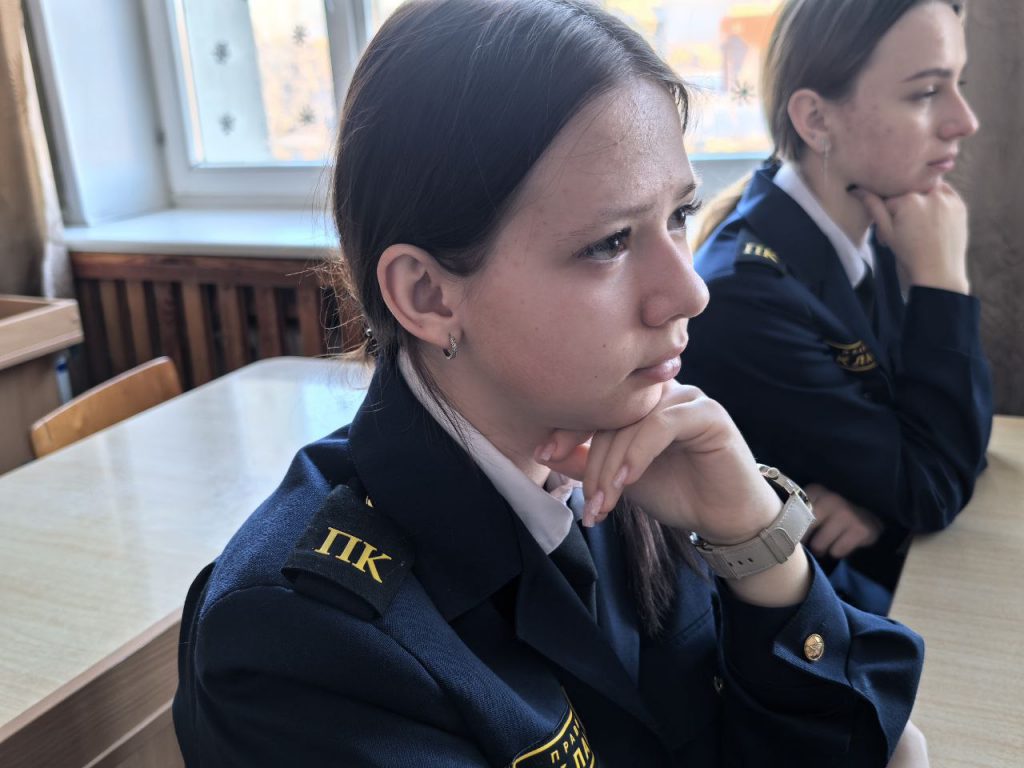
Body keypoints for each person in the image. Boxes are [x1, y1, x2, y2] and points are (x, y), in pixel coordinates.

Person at [172, 1, 927, 765]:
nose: (690, 292)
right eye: (609, 243)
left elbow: (849, 739)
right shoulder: (300, 642)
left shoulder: (627, 451)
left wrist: (753, 535)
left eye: (680, 215)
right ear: (429, 296)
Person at [680, 0, 993, 615]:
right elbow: (936, 483)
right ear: (816, 119)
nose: (965, 121)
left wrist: (879, 509)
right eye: (926, 92)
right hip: (781, 630)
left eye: (960, 84)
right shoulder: (749, 298)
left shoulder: (885, 221)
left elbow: (956, 447)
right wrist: (943, 284)